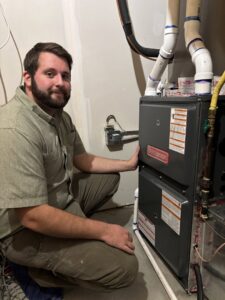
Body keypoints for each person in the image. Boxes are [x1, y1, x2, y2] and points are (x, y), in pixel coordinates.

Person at [0, 42, 139, 292]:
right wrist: (104, 230)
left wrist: (128, 164)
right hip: (22, 230)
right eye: (50, 73)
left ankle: (71, 225)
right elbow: (32, 215)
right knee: (124, 268)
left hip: (56, 198)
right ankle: (41, 273)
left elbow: (82, 160)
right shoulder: (15, 128)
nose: (60, 82)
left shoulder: (59, 116)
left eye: (65, 76)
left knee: (110, 179)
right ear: (28, 78)